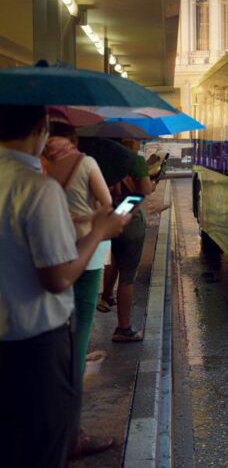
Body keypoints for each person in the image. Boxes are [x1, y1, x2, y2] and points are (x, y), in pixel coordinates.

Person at [0, 104, 129, 467]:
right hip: (35, 344)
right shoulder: (37, 188)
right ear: (41, 127)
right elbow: (56, 277)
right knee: (44, 448)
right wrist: (100, 231)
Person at [41, 121, 116, 457]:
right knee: (80, 334)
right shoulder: (84, 162)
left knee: (56, 334)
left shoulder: (39, 163)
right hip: (87, 252)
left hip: (50, 253)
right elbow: (107, 204)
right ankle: (72, 432)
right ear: (73, 138)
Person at [99, 138, 155, 342]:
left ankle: (106, 297)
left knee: (113, 258)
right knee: (127, 276)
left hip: (105, 218)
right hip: (130, 219)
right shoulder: (135, 160)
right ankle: (123, 327)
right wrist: (152, 181)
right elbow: (145, 190)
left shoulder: (99, 159)